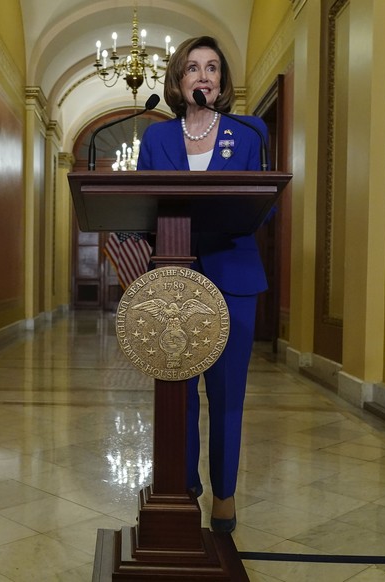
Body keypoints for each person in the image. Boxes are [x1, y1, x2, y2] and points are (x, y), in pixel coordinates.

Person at [137, 35, 269, 534]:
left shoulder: (246, 133)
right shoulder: (156, 139)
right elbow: (145, 203)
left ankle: (225, 497)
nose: (204, 76)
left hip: (233, 274)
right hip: (174, 278)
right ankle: (182, 492)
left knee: (227, 394)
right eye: (193, 68)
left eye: (212, 68)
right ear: (178, 80)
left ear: (220, 83)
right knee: (179, 392)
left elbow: (264, 202)